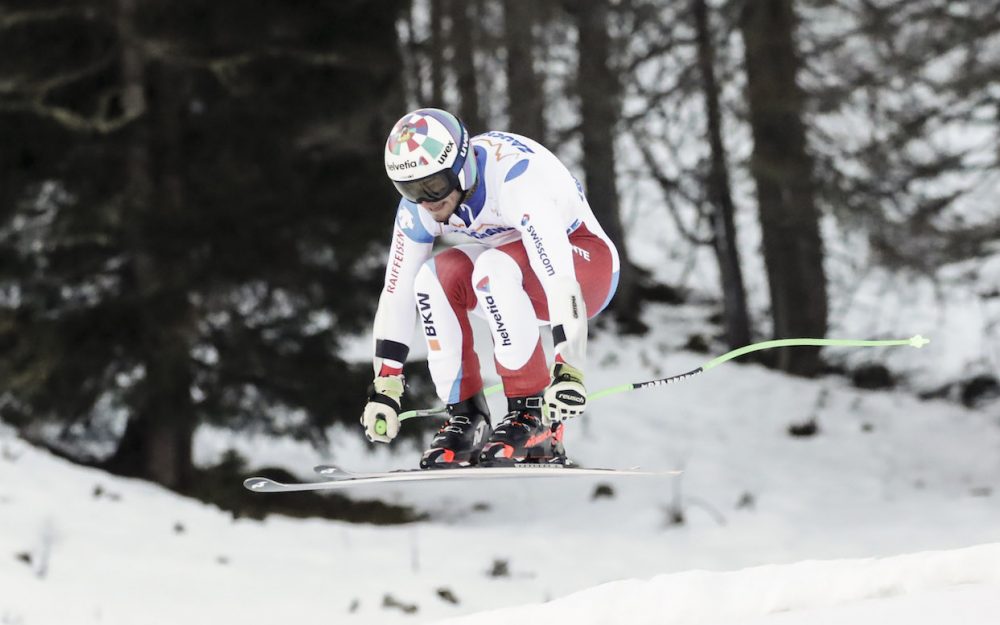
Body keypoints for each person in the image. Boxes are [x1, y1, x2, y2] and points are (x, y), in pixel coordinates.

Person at [360, 108, 620, 468]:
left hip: (584, 265)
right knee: (432, 277)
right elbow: (396, 292)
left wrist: (568, 369)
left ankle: (533, 417)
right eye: (410, 190)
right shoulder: (420, 206)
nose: (427, 201)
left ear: (462, 168)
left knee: (492, 268)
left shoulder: (516, 182)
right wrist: (386, 386)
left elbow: (560, 278)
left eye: (434, 185)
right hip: (510, 272)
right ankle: (466, 418)